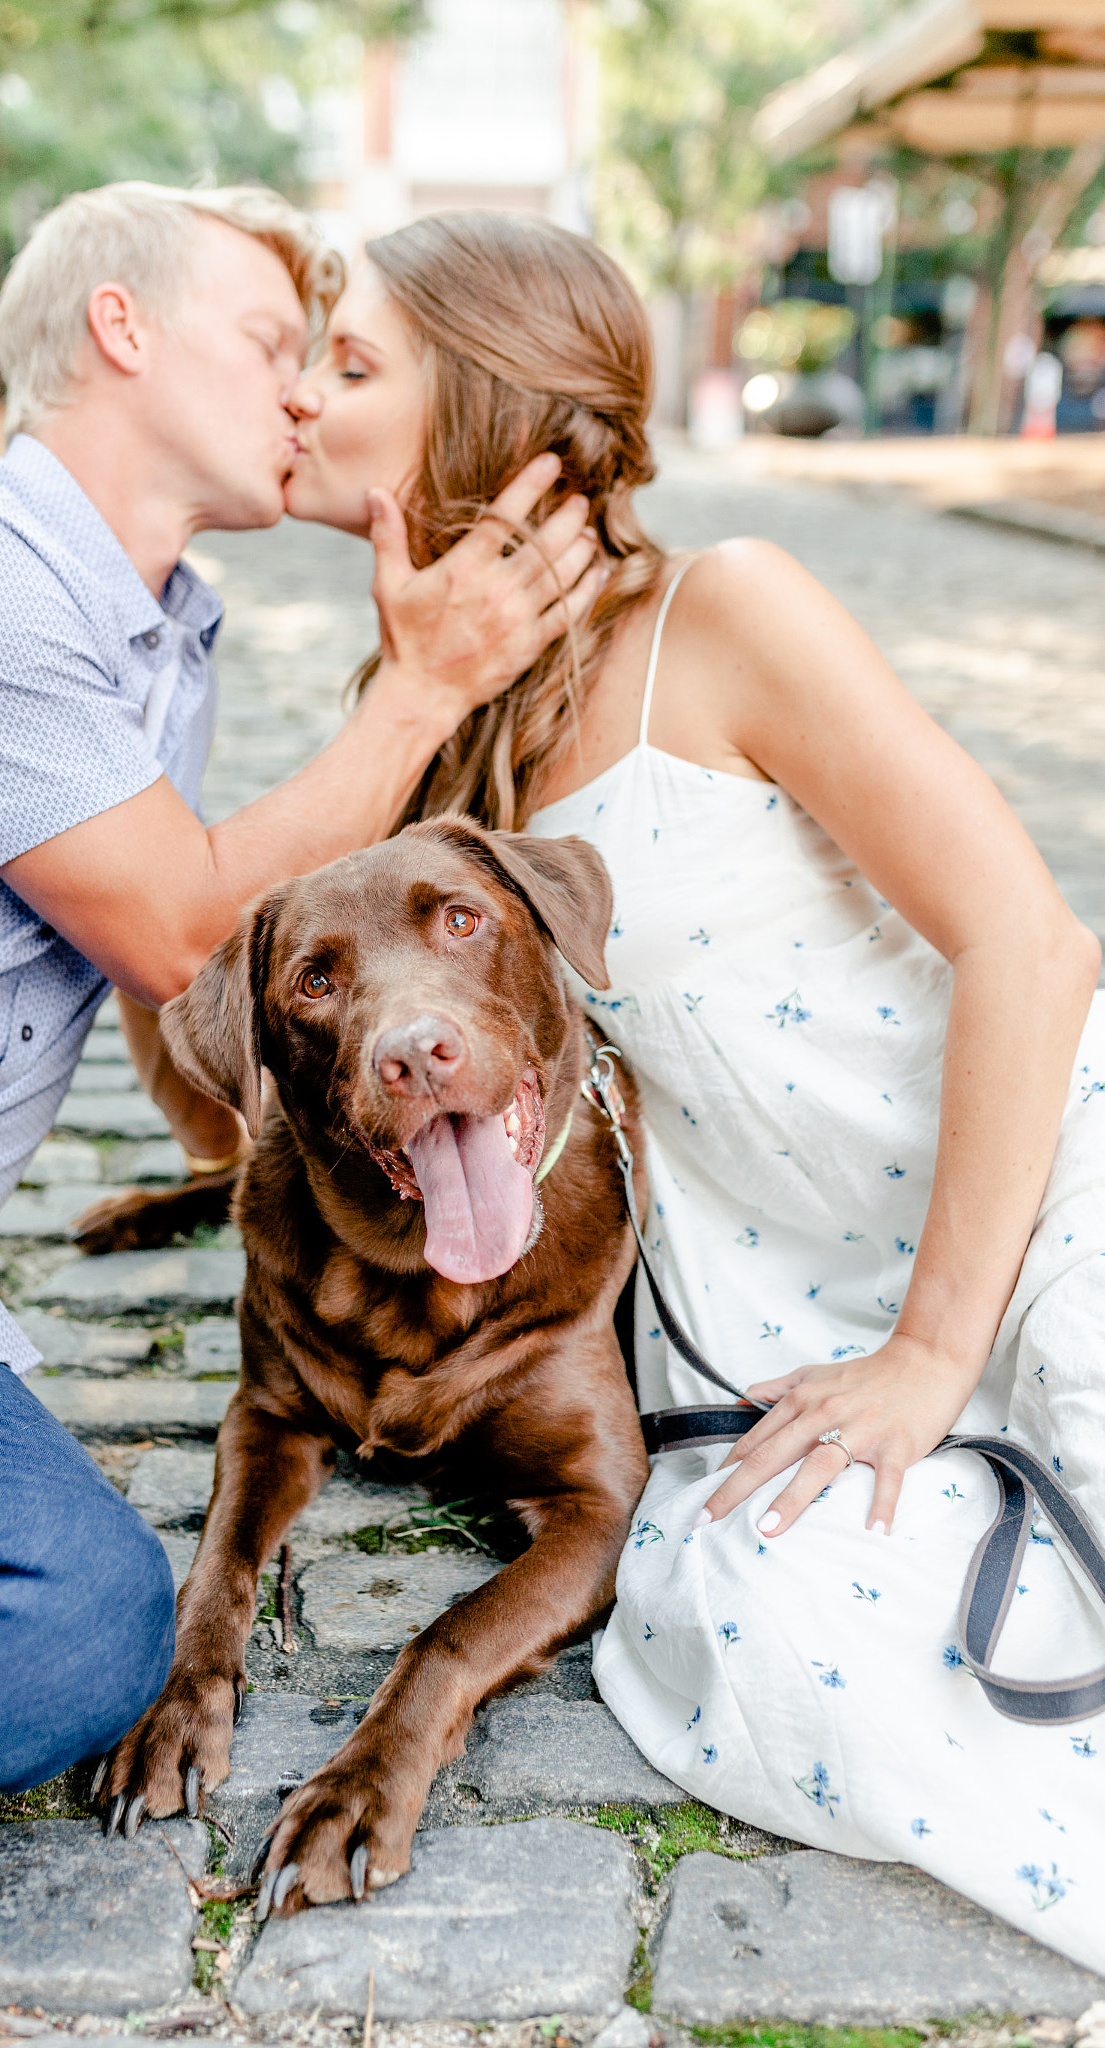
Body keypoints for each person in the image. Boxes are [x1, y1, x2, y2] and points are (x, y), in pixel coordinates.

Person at [279, 209, 1105, 1970]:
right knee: (756, 1617)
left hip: (1020, 1173)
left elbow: (1030, 944)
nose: (298, 392)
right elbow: (240, 1039)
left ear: (485, 402)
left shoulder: (722, 614)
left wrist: (934, 1356)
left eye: (347, 365)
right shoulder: (417, 722)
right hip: (762, 1287)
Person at [0, 183, 604, 1840]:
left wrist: (279, 1155)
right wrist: (426, 685)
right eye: (274, 343)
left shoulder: (159, 637)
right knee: (54, 1618)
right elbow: (176, 921)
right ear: (119, 329)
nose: (301, 393)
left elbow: (169, 991)